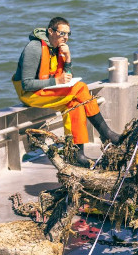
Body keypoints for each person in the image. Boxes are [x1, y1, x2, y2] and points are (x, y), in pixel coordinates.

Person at [12, 17, 120, 166]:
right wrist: (56, 81)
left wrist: (68, 58)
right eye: (62, 33)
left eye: (68, 34)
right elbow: (26, 84)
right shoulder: (34, 48)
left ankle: (77, 154)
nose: (66, 38)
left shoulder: (59, 48)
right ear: (51, 31)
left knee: (75, 104)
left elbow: (66, 77)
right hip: (30, 94)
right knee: (81, 87)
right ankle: (106, 133)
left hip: (48, 90)